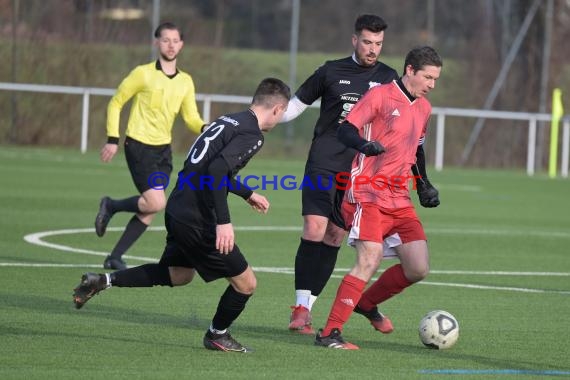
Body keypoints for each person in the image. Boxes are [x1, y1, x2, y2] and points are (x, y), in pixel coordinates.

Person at [73, 78, 291, 353]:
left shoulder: (227, 120)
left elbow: (206, 168)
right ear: (277, 110)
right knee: (246, 283)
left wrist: (246, 193)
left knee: (178, 274)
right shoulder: (252, 134)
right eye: (282, 114)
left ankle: (102, 281)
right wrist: (224, 222)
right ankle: (217, 334)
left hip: (178, 207)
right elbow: (216, 173)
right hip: (198, 217)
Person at [314, 46, 443, 349]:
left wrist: (423, 184)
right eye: (428, 77)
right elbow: (346, 130)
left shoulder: (424, 107)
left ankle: (365, 303)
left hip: (400, 198)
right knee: (368, 259)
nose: (432, 85)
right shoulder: (380, 96)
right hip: (367, 191)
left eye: (436, 79)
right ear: (410, 69)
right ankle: (329, 332)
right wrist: (364, 145)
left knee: (418, 267)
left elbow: (417, 148)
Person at [279, 14, 398, 334]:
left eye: (378, 44)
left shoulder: (389, 78)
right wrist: (262, 117)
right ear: (354, 40)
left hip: (359, 170)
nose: (373, 49)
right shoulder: (331, 70)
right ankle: (300, 308)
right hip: (323, 161)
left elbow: (395, 123)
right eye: (368, 42)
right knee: (314, 228)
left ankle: (310, 306)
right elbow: (294, 106)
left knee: (334, 235)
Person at [95, 22, 206, 270]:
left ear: (181, 44)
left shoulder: (186, 81)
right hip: (138, 145)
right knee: (156, 202)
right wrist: (112, 138)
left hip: (163, 152)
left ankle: (114, 256)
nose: (170, 45)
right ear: (156, 42)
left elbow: (191, 118)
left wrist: (206, 128)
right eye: (165, 40)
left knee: (150, 208)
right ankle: (110, 205)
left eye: (175, 40)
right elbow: (116, 102)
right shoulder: (142, 73)